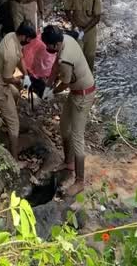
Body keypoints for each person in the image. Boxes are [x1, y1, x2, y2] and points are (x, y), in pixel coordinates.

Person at [41, 25, 97, 197]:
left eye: (49, 46)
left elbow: (64, 82)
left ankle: (80, 181)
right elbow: (54, 70)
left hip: (84, 95)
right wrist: (47, 86)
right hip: (75, 92)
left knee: (77, 136)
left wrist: (52, 92)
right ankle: (69, 162)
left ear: (56, 44)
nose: (47, 49)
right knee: (64, 126)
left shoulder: (66, 59)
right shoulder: (65, 39)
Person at [0, 22, 36, 162]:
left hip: (0, 81)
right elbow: (7, 78)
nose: (29, 42)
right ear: (23, 36)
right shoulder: (10, 54)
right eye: (29, 39)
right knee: (15, 123)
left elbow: (20, 57)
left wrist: (26, 76)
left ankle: (6, 120)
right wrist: (20, 82)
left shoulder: (11, 36)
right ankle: (13, 158)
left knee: (16, 95)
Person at [64, 0, 103, 73]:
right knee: (76, 54)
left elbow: (97, 18)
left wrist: (84, 31)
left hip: (90, 29)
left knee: (89, 55)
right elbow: (67, 9)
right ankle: (75, 77)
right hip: (77, 27)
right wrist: (75, 26)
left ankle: (89, 77)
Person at [22, 33, 56, 103]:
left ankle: (38, 92)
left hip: (32, 68)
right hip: (36, 69)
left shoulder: (38, 40)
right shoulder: (42, 44)